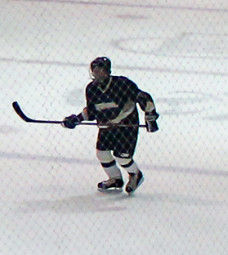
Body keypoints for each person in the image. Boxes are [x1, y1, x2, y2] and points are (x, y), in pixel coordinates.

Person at [63, 57, 159, 194]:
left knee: (122, 156)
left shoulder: (122, 84)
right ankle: (115, 179)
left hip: (127, 126)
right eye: (95, 71)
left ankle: (135, 174)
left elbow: (144, 98)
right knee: (102, 154)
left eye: (100, 71)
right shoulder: (91, 89)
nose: (97, 74)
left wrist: (150, 117)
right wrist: (76, 119)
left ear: (108, 71)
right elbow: (91, 111)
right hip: (106, 127)